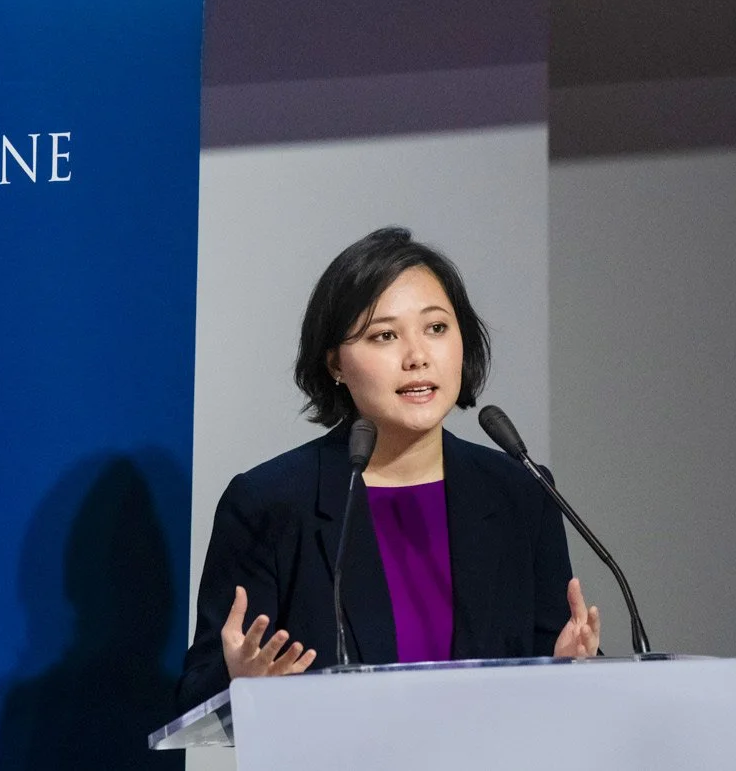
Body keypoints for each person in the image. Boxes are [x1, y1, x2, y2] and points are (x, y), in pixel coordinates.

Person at [176, 227, 600, 713]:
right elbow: (197, 691)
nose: (418, 356)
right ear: (335, 362)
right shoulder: (270, 502)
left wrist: (568, 672)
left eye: (436, 328)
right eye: (385, 335)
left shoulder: (520, 492)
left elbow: (552, 660)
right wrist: (241, 680)